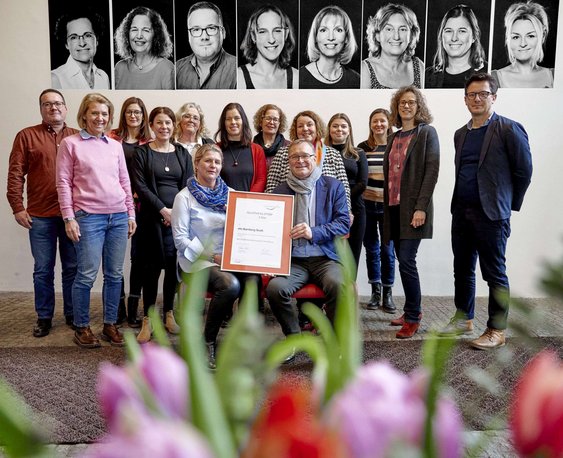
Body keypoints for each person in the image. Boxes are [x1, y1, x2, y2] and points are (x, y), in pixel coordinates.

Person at [439, 73, 532, 349]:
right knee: (462, 269)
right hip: (461, 212)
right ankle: (463, 318)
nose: (477, 99)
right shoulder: (461, 134)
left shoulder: (509, 129)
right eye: (472, 94)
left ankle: (496, 330)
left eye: (483, 94)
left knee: (494, 273)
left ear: (494, 97)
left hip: (492, 215)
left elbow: (524, 171)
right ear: (465, 99)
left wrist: (507, 204)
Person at [56, 93, 136, 348]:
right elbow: (63, 183)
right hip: (88, 217)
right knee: (86, 275)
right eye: (94, 113)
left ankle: (110, 325)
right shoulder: (70, 144)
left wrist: (130, 213)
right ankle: (82, 327)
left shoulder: (115, 145)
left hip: (118, 217)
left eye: (104, 113)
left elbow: (124, 181)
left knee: (114, 275)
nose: (100, 118)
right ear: (84, 115)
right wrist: (69, 217)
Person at [172, 144, 259, 369]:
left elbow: (245, 229)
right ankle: (208, 342)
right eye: (208, 161)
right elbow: (180, 240)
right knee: (229, 285)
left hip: (228, 257)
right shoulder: (184, 198)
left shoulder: (231, 194)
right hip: (197, 260)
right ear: (197, 164)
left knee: (253, 279)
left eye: (217, 162)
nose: (213, 166)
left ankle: (242, 341)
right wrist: (213, 256)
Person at [266, 139, 350, 352]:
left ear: (315, 158)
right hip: (294, 261)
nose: (300, 160)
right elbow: (270, 231)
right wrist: (268, 259)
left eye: (305, 156)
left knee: (338, 284)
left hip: (325, 258)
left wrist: (314, 232)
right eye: (295, 156)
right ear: (288, 161)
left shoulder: (333, 186)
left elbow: (343, 223)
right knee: (275, 289)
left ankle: (334, 342)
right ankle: (293, 338)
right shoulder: (279, 192)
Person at [7, 89, 78, 338]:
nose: (53, 107)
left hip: (72, 216)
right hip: (40, 216)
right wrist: (17, 206)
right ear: (41, 109)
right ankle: (44, 317)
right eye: (47, 104)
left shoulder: (78, 137)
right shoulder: (26, 136)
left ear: (66, 108)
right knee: (43, 270)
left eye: (58, 103)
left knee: (72, 268)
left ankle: (72, 314)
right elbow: (16, 173)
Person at [133, 107, 194, 344]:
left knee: (172, 268)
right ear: (151, 125)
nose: (164, 127)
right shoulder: (142, 153)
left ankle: (169, 313)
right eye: (159, 123)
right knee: (150, 270)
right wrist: (163, 209)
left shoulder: (182, 153)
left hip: (178, 221)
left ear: (173, 125)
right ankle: (148, 319)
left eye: (168, 122)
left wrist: (176, 213)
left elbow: (189, 185)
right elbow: (140, 186)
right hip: (151, 220)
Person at [385, 86, 440, 339]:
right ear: (396, 107)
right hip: (393, 208)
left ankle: (414, 316)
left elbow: (431, 171)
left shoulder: (427, 133)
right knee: (402, 260)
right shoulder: (394, 137)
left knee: (407, 260)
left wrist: (420, 208)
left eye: (411, 102)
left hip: (413, 209)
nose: (406, 106)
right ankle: (409, 309)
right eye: (402, 103)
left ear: (419, 106)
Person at [108, 97, 152, 327]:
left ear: (144, 116)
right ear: (123, 114)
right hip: (115, 204)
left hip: (142, 206)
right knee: (115, 258)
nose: (133, 116)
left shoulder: (150, 142)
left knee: (139, 258)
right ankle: (118, 307)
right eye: (129, 112)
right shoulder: (110, 138)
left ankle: (134, 307)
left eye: (138, 112)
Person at [266, 110, 351, 212]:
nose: (305, 129)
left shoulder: (333, 154)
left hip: (327, 212)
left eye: (309, 125)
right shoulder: (283, 153)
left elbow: (344, 187)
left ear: (317, 127)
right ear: (295, 130)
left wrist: (346, 210)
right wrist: (270, 209)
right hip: (288, 210)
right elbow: (272, 184)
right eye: (300, 126)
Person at [357, 109, 396, 312]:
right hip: (367, 206)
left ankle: (388, 293)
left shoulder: (396, 145)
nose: (378, 124)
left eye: (382, 121)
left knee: (388, 251)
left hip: (389, 207)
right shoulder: (362, 148)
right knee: (372, 250)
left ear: (389, 123)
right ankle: (375, 291)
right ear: (370, 124)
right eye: (375, 121)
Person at [325, 113, 367, 272]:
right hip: (328, 209)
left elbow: (362, 184)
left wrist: (341, 198)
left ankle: (350, 286)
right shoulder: (322, 152)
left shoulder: (358, 153)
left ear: (349, 130)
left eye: (343, 126)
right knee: (331, 253)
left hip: (355, 209)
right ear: (329, 129)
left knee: (352, 254)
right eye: (335, 126)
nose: (339, 129)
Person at [361, 3, 424, 89]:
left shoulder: (419, 66)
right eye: (389, 29)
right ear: (377, 35)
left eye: (402, 29)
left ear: (411, 36)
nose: (396, 37)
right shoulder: (365, 70)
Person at [176, 1, 236, 89]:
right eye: (196, 29)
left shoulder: (237, 70)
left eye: (211, 28)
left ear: (223, 33)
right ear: (189, 35)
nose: (204, 37)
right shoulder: (176, 69)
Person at [491, 2, 553, 88]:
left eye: (530, 36)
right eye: (516, 37)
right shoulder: (492, 77)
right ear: (508, 39)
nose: (523, 44)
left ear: (543, 36)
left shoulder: (555, 75)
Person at [425, 5, 487, 88]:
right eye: (449, 31)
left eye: (462, 31)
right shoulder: (427, 76)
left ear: (474, 37)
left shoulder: (489, 73)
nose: (454, 38)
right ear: (441, 36)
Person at [238, 5, 298, 89]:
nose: (271, 40)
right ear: (253, 36)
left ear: (286, 34)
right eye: (263, 32)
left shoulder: (297, 78)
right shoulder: (239, 78)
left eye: (277, 31)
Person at [114, 6, 175, 90]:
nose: (139, 36)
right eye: (134, 29)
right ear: (127, 33)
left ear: (155, 35)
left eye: (146, 30)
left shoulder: (166, 68)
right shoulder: (120, 68)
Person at [300, 5, 360, 89]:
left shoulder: (356, 80)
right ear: (315, 37)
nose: (331, 37)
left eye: (338, 30)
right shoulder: (299, 77)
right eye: (323, 30)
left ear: (347, 38)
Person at [51, 10, 110, 89]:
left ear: (97, 40)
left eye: (88, 35)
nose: (82, 43)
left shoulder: (103, 76)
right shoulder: (55, 78)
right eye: (74, 37)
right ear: (66, 44)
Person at [215, 103, 267, 193]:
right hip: (221, 200)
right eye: (228, 119)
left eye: (237, 118)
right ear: (224, 123)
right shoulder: (216, 149)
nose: (233, 122)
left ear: (243, 121)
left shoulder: (257, 150)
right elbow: (211, 178)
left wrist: (247, 198)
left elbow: (261, 179)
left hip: (249, 200)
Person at [252, 104, 290, 169]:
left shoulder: (289, 147)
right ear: (261, 121)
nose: (271, 122)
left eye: (275, 119)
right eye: (268, 118)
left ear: (279, 123)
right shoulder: (251, 146)